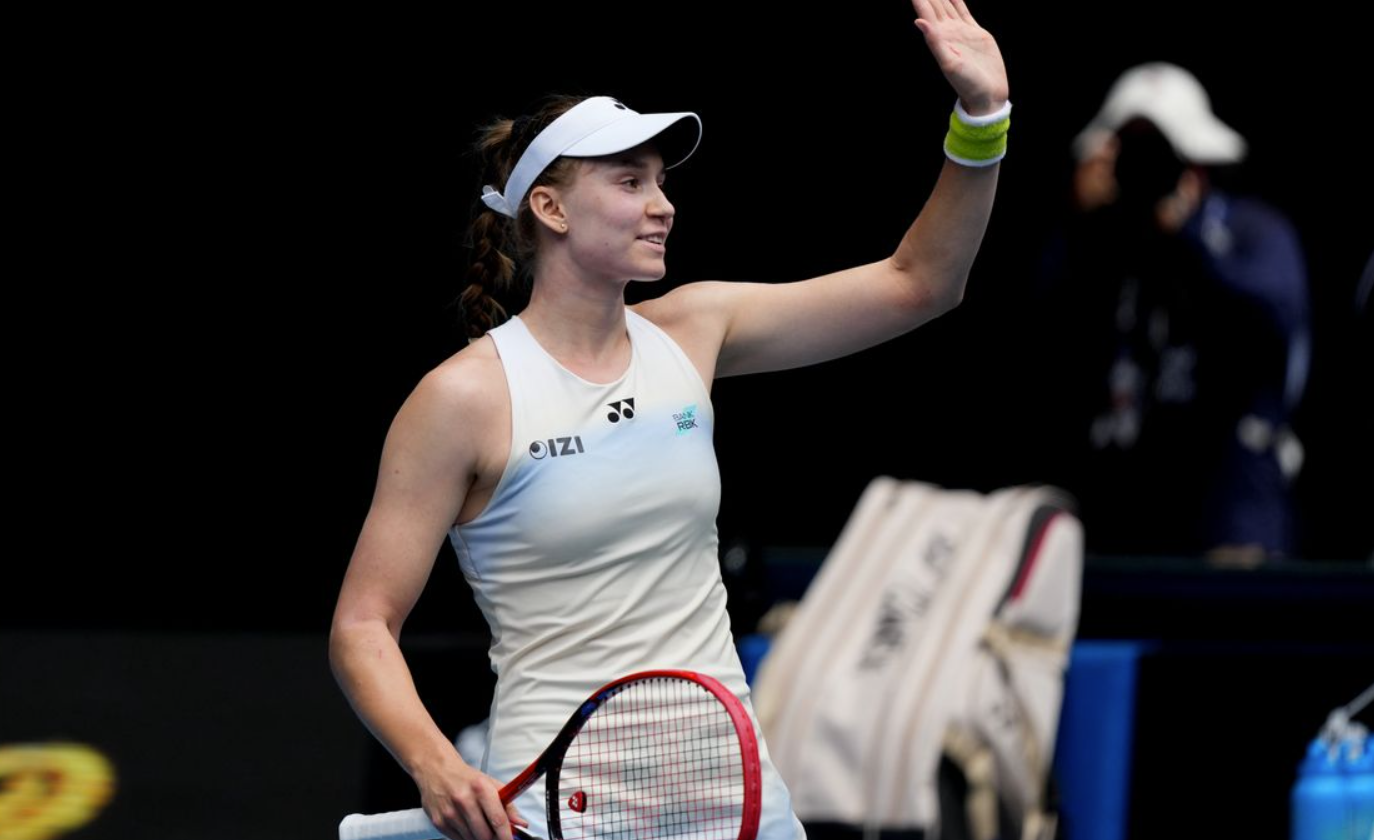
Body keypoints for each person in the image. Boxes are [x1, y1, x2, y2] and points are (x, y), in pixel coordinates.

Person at [328, 2, 1010, 839]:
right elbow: (363, 624)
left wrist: (982, 118)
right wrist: (434, 763)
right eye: (629, 182)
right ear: (550, 208)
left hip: (736, 795)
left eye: (661, 182)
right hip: (559, 804)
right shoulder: (464, 397)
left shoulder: (694, 329)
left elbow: (921, 283)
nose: (663, 205)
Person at [1035, 62, 1311, 563]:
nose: (1145, 169)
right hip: (1118, 508)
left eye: (1163, 155)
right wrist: (1080, 227)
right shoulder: (1101, 242)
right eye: (1129, 153)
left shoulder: (1250, 231)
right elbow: (1037, 342)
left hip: (1230, 513)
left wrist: (1186, 238)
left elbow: (1273, 325)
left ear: (1198, 163)